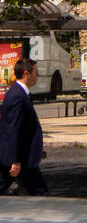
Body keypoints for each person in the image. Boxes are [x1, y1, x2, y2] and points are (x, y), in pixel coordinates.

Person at [0, 58, 48, 196]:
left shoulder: (17, 93)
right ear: (27, 73)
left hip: (17, 157)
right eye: (36, 72)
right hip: (20, 158)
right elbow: (14, 129)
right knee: (41, 192)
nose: (37, 76)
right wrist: (15, 160)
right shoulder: (18, 97)